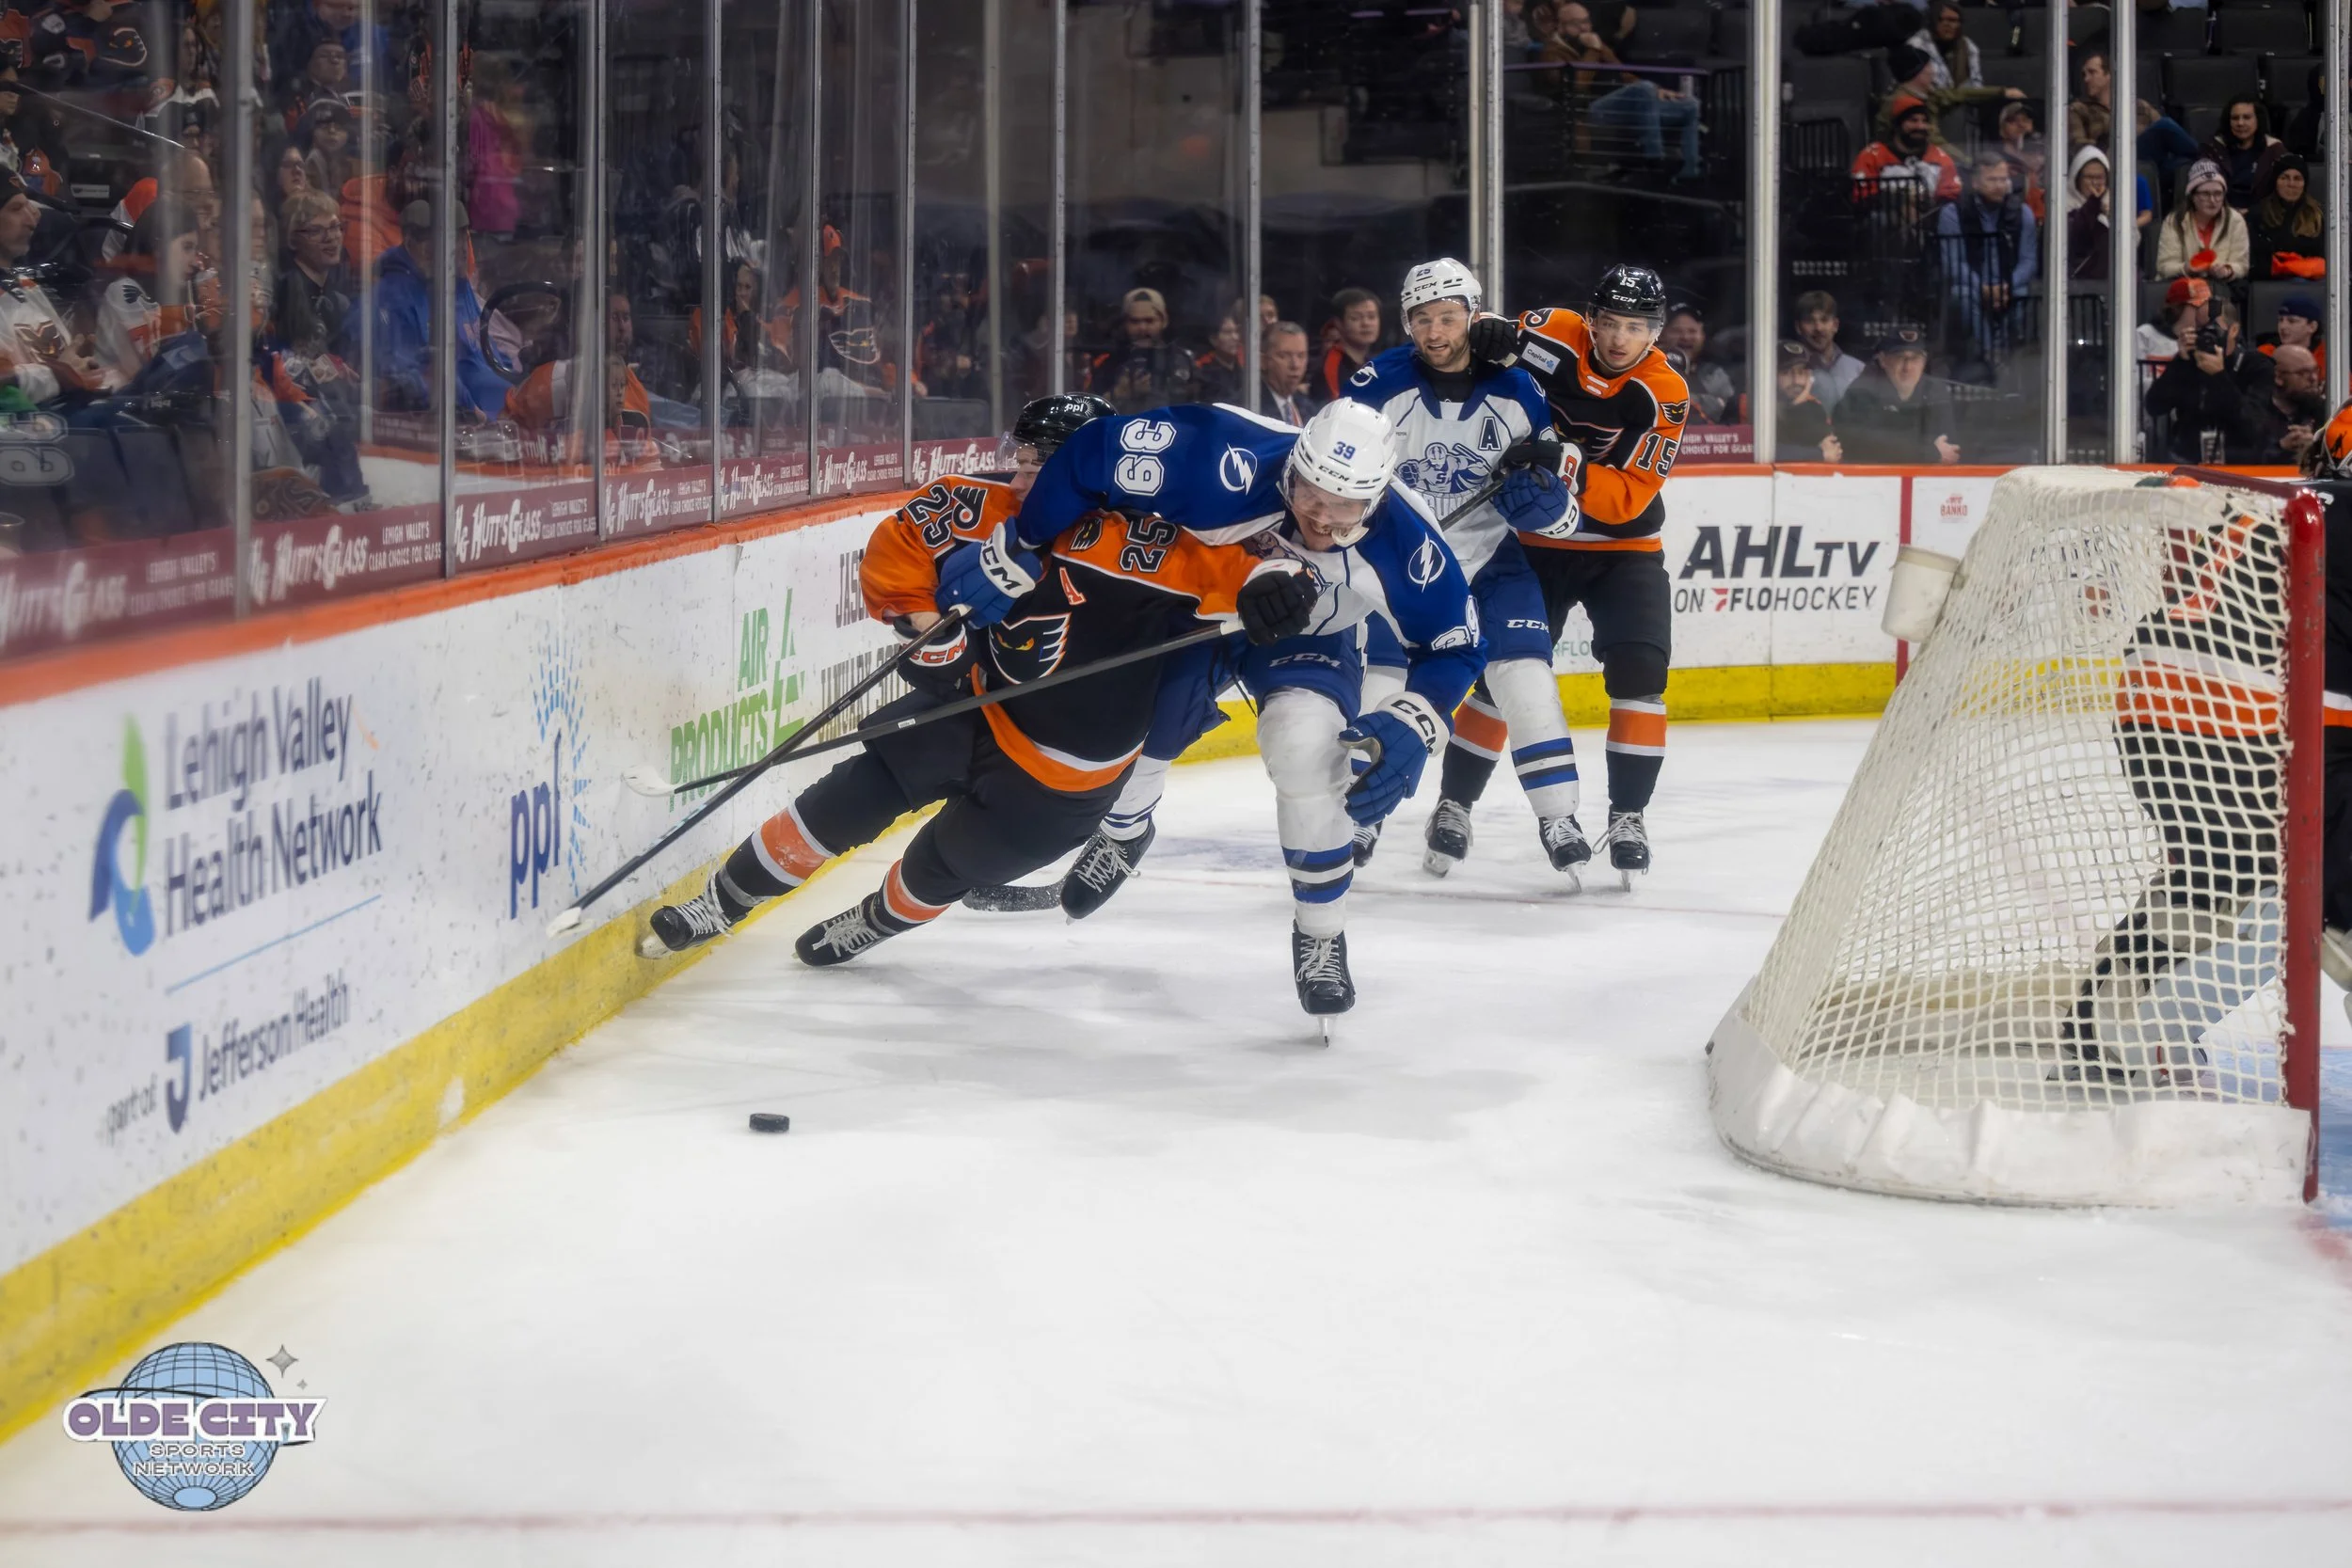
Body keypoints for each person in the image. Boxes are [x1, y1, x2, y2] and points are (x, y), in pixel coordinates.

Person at [638, 395, 1323, 974]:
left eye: (1039, 467)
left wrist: (1284, 589)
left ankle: (875, 919)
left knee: (939, 869)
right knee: (843, 800)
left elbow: (1260, 573)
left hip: (1064, 782)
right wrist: (924, 626)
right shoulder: (984, 506)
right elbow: (898, 547)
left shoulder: (1157, 543)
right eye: (1018, 460)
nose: (1021, 480)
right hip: (971, 709)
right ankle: (719, 903)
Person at [1007, 397, 1484, 1018]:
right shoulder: (1219, 455)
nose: (1320, 517)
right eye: (1309, 493)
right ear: (1294, 466)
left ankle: (1320, 933)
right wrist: (1026, 541)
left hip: (1310, 635)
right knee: (1138, 722)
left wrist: (1418, 718)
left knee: (1306, 756)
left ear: (1376, 500)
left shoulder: (1409, 539)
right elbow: (1091, 451)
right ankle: (1125, 832)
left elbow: (1456, 645)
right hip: (1193, 609)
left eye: (1344, 506)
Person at [1322, 258, 1582, 873]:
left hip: (1492, 560)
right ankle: (1359, 816)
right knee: (1383, 687)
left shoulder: (1518, 387)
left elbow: (1560, 485)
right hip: (1399, 562)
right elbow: (1330, 476)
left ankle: (1559, 815)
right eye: (1421, 319)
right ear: (1404, 321)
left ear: (1473, 314)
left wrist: (1550, 502)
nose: (1434, 332)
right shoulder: (1376, 385)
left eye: (1447, 317)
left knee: (1526, 682)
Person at [1454, 263, 1690, 880]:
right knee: (1500, 678)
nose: (1619, 338)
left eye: (1635, 327)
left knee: (1642, 674)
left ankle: (1628, 815)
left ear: (1655, 333)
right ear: (1590, 319)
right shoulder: (1554, 331)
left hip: (1625, 550)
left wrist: (1564, 462)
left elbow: (1628, 497)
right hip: (1534, 543)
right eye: (1610, 322)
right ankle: (1454, 804)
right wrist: (1486, 334)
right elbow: (1489, 339)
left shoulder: (1663, 391)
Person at [2294, 405, 2352, 1023]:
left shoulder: (2290, 500)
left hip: (2219, 716)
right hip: (2319, 726)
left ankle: (2118, 1020)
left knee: (2237, 889)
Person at [373, 198, 508, 420]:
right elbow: (427, 371)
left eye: (463, 236)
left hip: (503, 411)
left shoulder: (458, 284)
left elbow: (485, 349)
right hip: (470, 421)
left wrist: (517, 379)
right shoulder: (399, 295)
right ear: (411, 243)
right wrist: (473, 410)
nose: (461, 247)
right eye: (451, 238)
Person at [1542, 0, 1701, 183]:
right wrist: (1593, 50)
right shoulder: (1552, 52)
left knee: (1690, 105)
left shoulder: (1596, 43)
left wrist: (1658, 90)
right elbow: (1577, 86)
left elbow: (1623, 73)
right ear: (1561, 27)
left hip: (1621, 106)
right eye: (1576, 24)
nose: (1584, 28)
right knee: (1644, 88)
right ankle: (1654, 157)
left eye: (1586, 21)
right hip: (1590, 111)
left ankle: (1690, 172)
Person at [1933, 150, 2038, 373]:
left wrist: (2007, 286)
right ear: (1975, 183)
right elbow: (1954, 262)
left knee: (2023, 296)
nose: (2000, 186)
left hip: (2010, 285)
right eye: (1992, 180)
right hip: (1972, 285)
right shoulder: (1953, 213)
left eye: (2003, 179)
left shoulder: (2023, 213)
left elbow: (2028, 260)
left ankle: (2008, 357)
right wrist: (1983, 288)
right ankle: (1988, 355)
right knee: (1962, 295)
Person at [2141, 296, 2259, 465]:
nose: (2207, 334)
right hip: (2187, 460)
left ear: (2233, 330)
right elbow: (2154, 406)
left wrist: (2219, 376)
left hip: (2238, 462)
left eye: (2214, 328)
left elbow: (2254, 426)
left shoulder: (2255, 364)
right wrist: (2180, 363)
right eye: (2200, 328)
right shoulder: (2187, 362)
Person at [2069, 50, 2198, 195]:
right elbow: (2078, 146)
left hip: (2148, 163)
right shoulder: (2079, 109)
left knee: (2186, 164)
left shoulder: (2139, 106)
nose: (2086, 79)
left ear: (2109, 75)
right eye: (2084, 74)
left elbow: (2163, 136)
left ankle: (2203, 162)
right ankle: (2206, 156)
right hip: (2111, 160)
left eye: (2092, 72)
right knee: (2165, 125)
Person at [1835, 327, 1960, 465]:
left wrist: (1893, 444)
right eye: (1900, 358)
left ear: (1924, 363)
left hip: (1924, 475)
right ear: (1883, 360)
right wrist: (1928, 451)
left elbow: (1949, 449)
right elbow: (1859, 444)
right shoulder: (1863, 390)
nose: (1907, 367)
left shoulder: (1934, 390)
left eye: (1915, 359)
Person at [1876, 43, 2024, 155]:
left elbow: (1959, 94)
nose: (1933, 72)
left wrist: (2002, 92)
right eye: (1929, 67)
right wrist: (1966, 162)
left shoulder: (1928, 94)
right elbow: (1933, 142)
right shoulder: (1901, 103)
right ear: (1919, 73)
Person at [1086, 286, 1196, 412]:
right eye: (1134, 321)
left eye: (1149, 321)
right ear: (1125, 323)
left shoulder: (1184, 360)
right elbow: (1090, 410)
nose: (1142, 328)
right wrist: (1119, 393)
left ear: (1164, 321)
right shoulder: (1108, 363)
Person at [1851, 96, 1961, 206]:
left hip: (1931, 215)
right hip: (1884, 214)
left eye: (1925, 121)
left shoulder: (1939, 157)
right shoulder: (1873, 156)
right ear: (1898, 125)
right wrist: (1900, 203)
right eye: (1913, 120)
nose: (1920, 126)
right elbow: (1861, 197)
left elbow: (1951, 195)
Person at [2064, 146, 2153, 280]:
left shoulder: (2115, 202)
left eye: (2100, 177)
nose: (2095, 182)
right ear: (2077, 178)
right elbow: (2076, 237)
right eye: (2089, 177)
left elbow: (2132, 242)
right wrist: (2094, 204)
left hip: (2117, 278)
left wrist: (2112, 216)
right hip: (2081, 282)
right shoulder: (2064, 205)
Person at [2155, 160, 2248, 285]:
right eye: (2205, 194)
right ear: (2192, 196)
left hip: (2221, 287)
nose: (2213, 200)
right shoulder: (2174, 220)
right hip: (2183, 287)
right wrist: (2186, 268)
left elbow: (2242, 265)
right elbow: (2165, 266)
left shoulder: (2235, 220)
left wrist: (2227, 270)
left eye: (2218, 194)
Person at [2239, 343, 2323, 467]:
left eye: (2315, 370)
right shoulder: (2255, 414)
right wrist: (2281, 448)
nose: (2313, 378)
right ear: (2278, 377)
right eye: (2302, 373)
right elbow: (2242, 458)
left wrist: (2317, 446)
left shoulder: (2324, 411)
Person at [2247, 155, 2326, 283]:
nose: (2291, 184)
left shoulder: (2317, 217)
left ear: (2305, 184)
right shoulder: (2258, 214)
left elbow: (2326, 260)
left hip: (2310, 284)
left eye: (2298, 179)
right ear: (2275, 181)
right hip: (2269, 284)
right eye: (2284, 178)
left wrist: (2294, 267)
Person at [2200, 97, 2284, 214]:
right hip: (2220, 214)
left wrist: (2253, 213)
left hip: (2264, 216)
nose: (2240, 123)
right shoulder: (2213, 149)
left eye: (2247, 117)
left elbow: (2280, 193)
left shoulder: (2275, 149)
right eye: (2235, 118)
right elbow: (2204, 189)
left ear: (2258, 120)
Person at [1660, 304, 1736, 423]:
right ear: (1662, 334)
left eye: (1692, 331)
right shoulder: (1651, 368)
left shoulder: (1715, 373)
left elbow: (1726, 411)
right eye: (1677, 331)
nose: (1685, 337)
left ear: (1703, 336)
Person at [1791, 291, 1864, 410]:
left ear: (1835, 325)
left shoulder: (1858, 369)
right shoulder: (1789, 373)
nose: (1818, 328)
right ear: (1798, 327)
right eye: (1810, 321)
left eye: (1824, 320)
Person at [1774, 341, 1840, 462]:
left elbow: (1832, 451)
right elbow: (1768, 453)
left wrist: (1797, 405)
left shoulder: (1812, 408)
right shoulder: (1755, 406)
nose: (1796, 381)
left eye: (1801, 372)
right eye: (1786, 373)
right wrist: (1817, 454)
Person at [1317, 286, 1384, 400]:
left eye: (1371, 317)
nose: (1366, 323)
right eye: (1355, 318)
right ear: (1338, 323)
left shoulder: (1379, 362)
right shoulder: (1330, 365)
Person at [1906, 0, 1979, 90]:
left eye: (1953, 20)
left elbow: (1976, 83)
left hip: (1960, 97)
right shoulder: (1916, 45)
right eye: (1941, 19)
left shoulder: (1967, 46)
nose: (1947, 24)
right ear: (1933, 21)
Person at [2256, 292, 2327, 382]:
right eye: (2280, 320)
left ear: (2312, 327)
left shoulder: (2328, 356)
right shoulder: (2264, 354)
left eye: (2292, 321)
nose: (2283, 326)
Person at [1262, 320, 1316, 424]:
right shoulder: (1250, 405)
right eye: (1284, 356)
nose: (1295, 365)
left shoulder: (1309, 408)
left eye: (1301, 356)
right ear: (1263, 361)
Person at [1193, 311, 1246, 406]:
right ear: (1213, 339)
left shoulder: (1246, 366)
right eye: (1227, 332)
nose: (1235, 337)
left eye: (1236, 332)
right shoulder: (1202, 371)